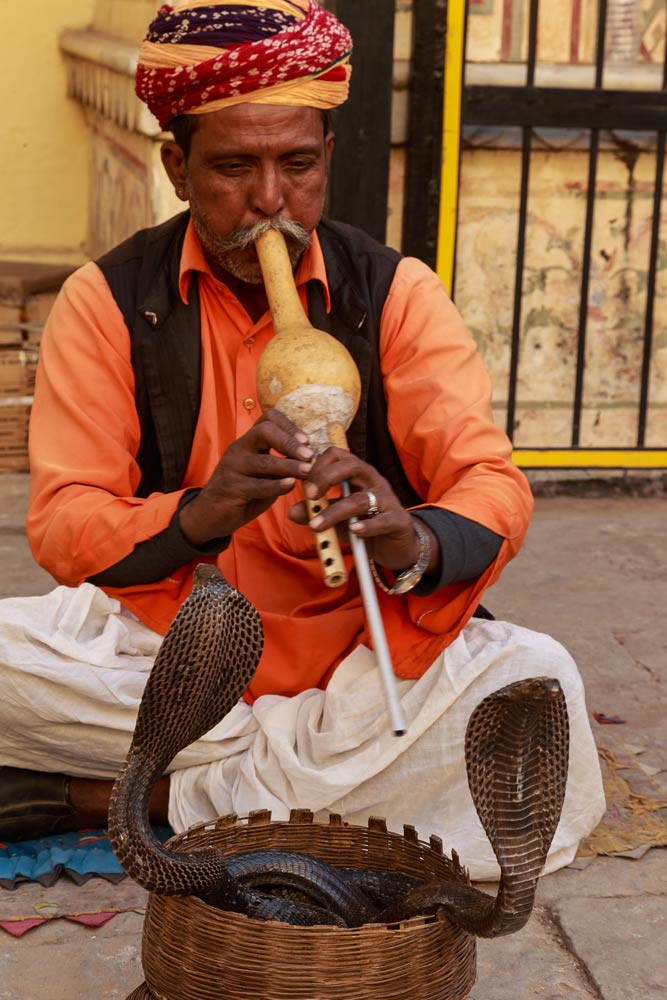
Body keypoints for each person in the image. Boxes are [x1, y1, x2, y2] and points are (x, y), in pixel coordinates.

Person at [0, 0, 604, 879]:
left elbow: (492, 483)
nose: (270, 203)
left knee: (534, 684)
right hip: (168, 654)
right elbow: (63, 528)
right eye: (233, 169)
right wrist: (205, 512)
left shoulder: (392, 293)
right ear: (177, 167)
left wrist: (412, 535)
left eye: (297, 166)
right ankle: (290, 780)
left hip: (359, 659)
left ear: (327, 160)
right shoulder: (109, 300)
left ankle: (138, 797)